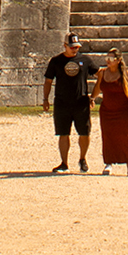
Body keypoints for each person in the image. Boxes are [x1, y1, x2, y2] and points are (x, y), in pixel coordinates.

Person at [40, 33, 96, 173]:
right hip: (62, 102)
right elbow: (48, 81)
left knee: (84, 133)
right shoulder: (56, 61)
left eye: (76, 47)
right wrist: (45, 99)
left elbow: (100, 74)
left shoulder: (86, 60)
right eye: (72, 47)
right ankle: (64, 163)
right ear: (65, 46)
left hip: (81, 102)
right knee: (63, 133)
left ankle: (83, 159)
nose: (74, 49)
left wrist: (94, 96)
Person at [96, 49, 128, 177]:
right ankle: (109, 163)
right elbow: (98, 88)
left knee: (126, 137)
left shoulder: (126, 74)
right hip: (107, 110)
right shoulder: (102, 73)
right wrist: (92, 98)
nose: (107, 61)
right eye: (107, 58)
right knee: (108, 136)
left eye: (111, 59)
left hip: (123, 110)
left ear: (118, 60)